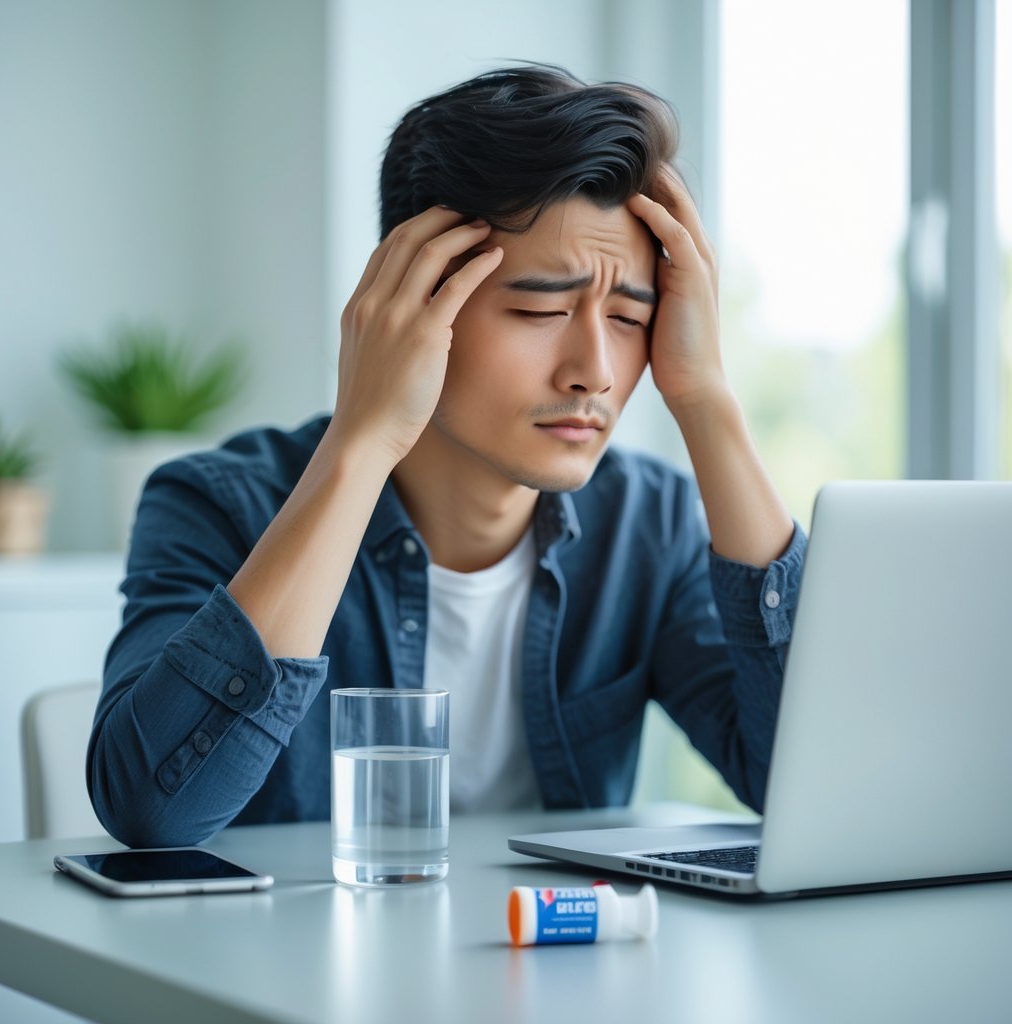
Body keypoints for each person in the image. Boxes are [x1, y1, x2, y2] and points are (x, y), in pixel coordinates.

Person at [88, 64, 805, 848]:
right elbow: (153, 814)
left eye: (631, 318)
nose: (594, 370)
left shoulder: (650, 525)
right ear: (412, 299)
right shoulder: (216, 505)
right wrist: (363, 441)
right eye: (542, 309)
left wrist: (706, 401)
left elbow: (803, 786)